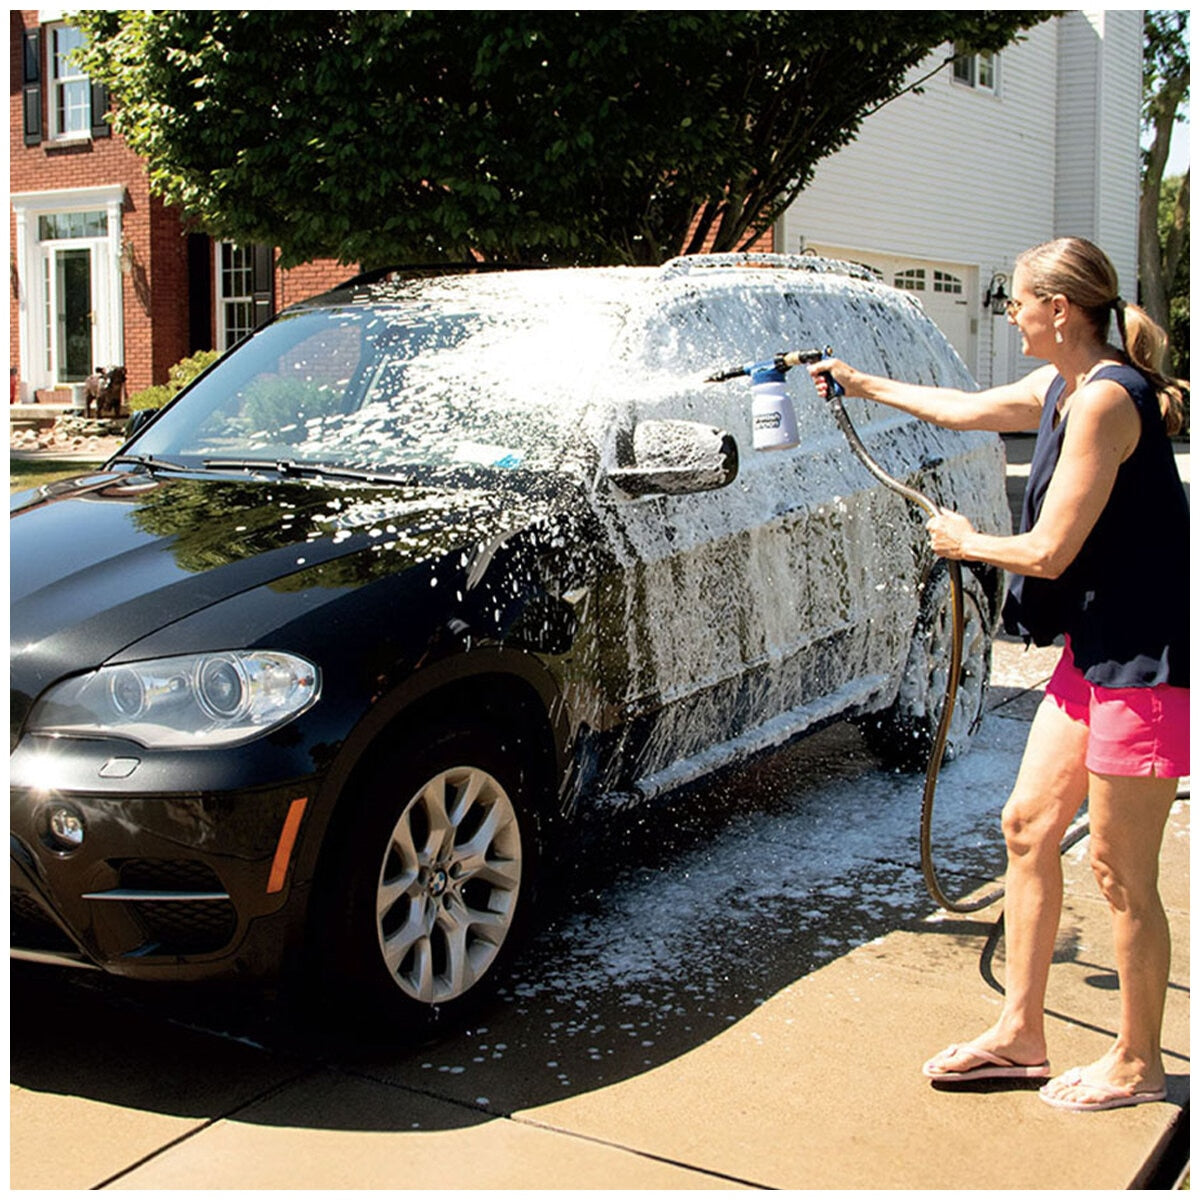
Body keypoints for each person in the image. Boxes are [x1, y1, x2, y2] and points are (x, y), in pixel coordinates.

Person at [809, 237, 1189, 1113]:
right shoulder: (1063, 385)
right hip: (1092, 656)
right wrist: (863, 385)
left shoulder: (1105, 402)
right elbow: (965, 409)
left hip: (1144, 666)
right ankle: (1022, 1035)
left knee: (1121, 872)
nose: (1009, 314)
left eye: (1016, 300)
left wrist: (963, 541)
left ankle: (1139, 1063)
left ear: (1059, 309)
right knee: (1027, 828)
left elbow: (1049, 553)